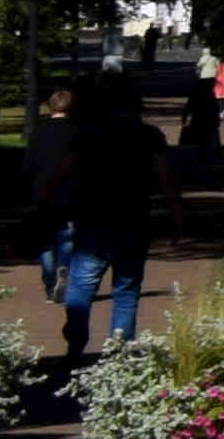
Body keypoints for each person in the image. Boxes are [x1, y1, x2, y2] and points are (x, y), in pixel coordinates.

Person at [39, 79, 164, 363]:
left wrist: (45, 202)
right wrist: (178, 211)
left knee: (81, 287)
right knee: (126, 290)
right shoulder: (149, 136)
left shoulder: (87, 135)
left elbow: (62, 171)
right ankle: (119, 352)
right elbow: (166, 176)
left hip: (93, 220)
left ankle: (75, 343)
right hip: (134, 220)